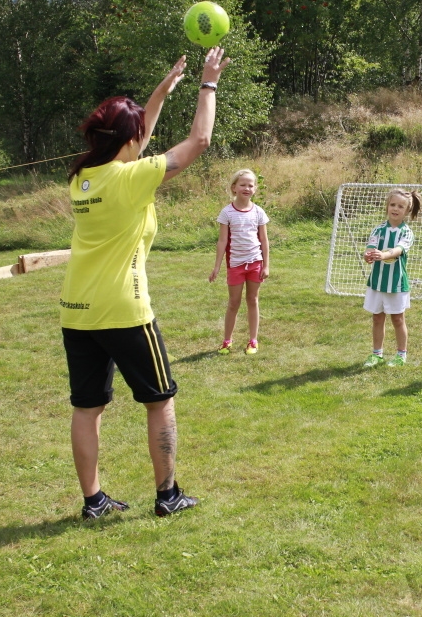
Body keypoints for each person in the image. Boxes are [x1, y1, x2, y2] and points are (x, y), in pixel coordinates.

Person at [60, 47, 230, 519]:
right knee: (160, 400)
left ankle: (93, 502)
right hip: (125, 310)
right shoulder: (132, 179)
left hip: (76, 312)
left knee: (87, 407)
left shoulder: (84, 178)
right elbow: (199, 141)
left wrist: (160, 91)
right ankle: (167, 494)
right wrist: (207, 83)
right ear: (129, 138)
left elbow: (135, 138)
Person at [209, 168, 270, 354]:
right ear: (234, 187)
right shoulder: (226, 213)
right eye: (242, 184)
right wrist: (217, 266)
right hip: (235, 264)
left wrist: (266, 265)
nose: (247, 188)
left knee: (253, 300)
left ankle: (253, 341)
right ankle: (227, 341)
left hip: (255, 262)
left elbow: (264, 240)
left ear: (255, 189)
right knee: (233, 303)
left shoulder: (259, 212)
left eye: (250, 185)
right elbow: (222, 241)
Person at [361, 188, 421, 368]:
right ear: (387, 206)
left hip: (396, 284)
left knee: (397, 319)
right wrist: (368, 256)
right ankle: (376, 354)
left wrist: (384, 255)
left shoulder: (406, 232)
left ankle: (401, 355)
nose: (395, 209)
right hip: (377, 282)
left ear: (407, 211)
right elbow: (370, 248)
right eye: (393, 204)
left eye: (400, 206)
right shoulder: (378, 230)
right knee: (377, 318)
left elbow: (399, 250)